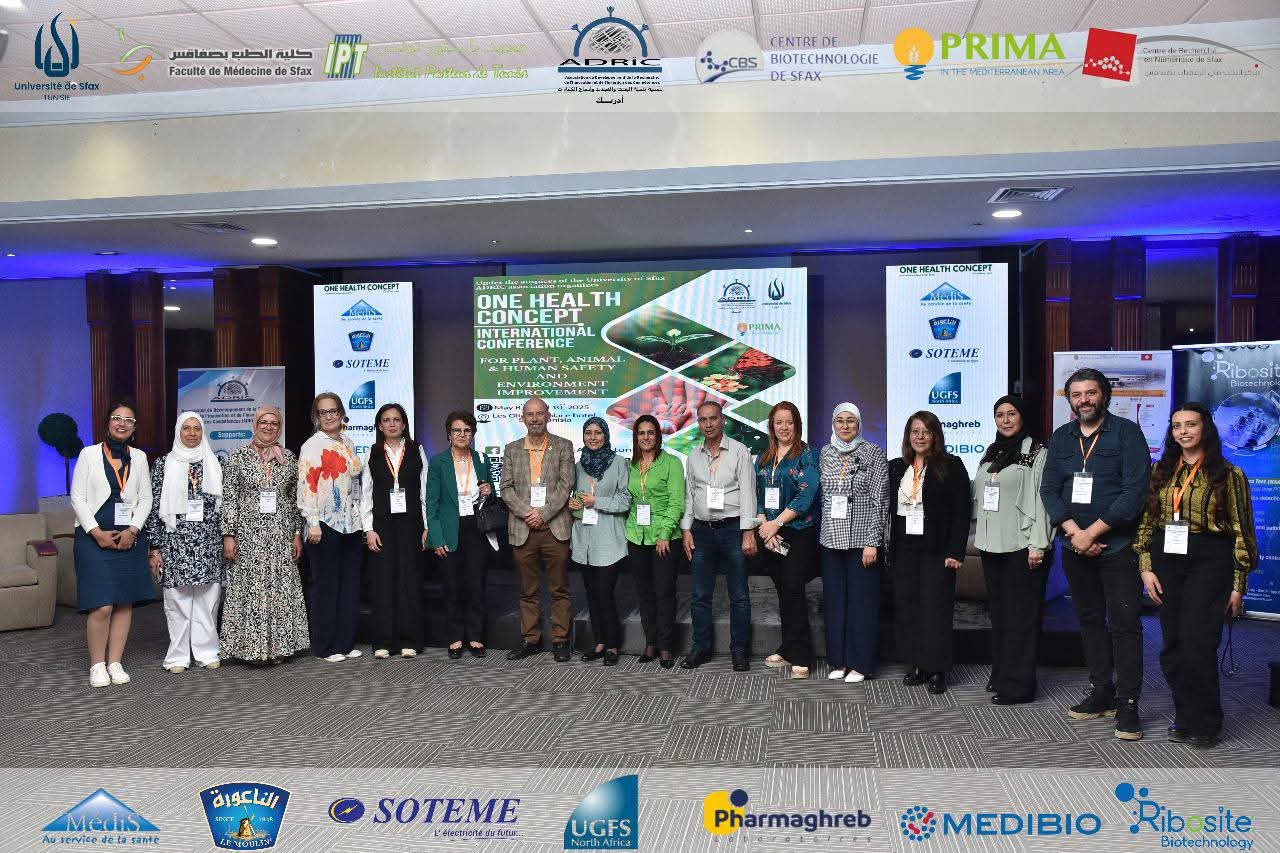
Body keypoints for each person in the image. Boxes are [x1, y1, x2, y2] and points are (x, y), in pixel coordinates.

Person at [1134, 403, 1258, 749]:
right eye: (1176, 426)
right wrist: (1145, 566)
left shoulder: (1229, 474)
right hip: (1167, 557)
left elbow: (1242, 531)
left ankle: (1205, 723)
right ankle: (1185, 717)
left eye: (1190, 424)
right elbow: (1146, 521)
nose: (1183, 432)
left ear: (1205, 429)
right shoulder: (1160, 470)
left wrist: (1238, 585)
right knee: (1172, 645)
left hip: (1209, 560)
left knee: (1198, 643)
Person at [1041, 367, 1151, 740]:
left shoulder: (1127, 433)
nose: (1084, 400)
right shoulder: (1062, 437)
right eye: (1077, 395)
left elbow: (1135, 492)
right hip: (1075, 546)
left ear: (1104, 395)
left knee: (1124, 624)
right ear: (1070, 400)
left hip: (1118, 547)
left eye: (1090, 393)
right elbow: (1049, 489)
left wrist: (1092, 533)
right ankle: (1101, 691)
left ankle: (1128, 703)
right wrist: (1075, 533)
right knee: (1089, 620)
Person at [972, 395, 1053, 705]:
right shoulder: (992, 451)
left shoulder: (1037, 452)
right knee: (1002, 616)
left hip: (1024, 547)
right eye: (999, 415)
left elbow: (1043, 501)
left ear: (1023, 416)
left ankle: (1019, 686)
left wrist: (1038, 545)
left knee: (1022, 618)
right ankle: (1002, 674)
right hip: (992, 545)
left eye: (1011, 413)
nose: (1005, 420)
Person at [70, 398, 154, 688]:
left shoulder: (139, 457)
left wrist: (133, 530)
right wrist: (96, 532)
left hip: (129, 539)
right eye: (117, 418)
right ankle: (97, 665)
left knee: (123, 602)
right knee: (102, 604)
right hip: (93, 538)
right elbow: (77, 498)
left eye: (128, 420)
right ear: (108, 423)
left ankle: (115, 662)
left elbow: (146, 499)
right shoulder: (89, 454)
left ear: (134, 427)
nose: (122, 424)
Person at [886, 411, 969, 694]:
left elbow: (961, 511)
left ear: (935, 436)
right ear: (908, 436)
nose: (920, 437)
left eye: (926, 432)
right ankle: (918, 664)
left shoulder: (951, 465)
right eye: (915, 431)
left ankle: (937, 669)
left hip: (937, 549)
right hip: (904, 548)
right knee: (909, 607)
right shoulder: (897, 467)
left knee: (936, 609)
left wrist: (956, 551)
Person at [220, 405, 309, 665]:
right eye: (264, 422)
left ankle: (279, 648)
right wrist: (229, 535)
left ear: (279, 427)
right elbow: (230, 497)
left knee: (279, 589)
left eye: (274, 423)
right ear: (255, 425)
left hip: (281, 534)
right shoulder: (238, 456)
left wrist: (296, 533)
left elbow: (294, 499)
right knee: (252, 588)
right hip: (248, 535)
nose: (269, 427)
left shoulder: (288, 458)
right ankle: (252, 649)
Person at [681, 401, 758, 671]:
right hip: (702, 531)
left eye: (713, 418)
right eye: (703, 420)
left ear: (722, 420)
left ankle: (739, 650)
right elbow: (690, 495)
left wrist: (748, 532)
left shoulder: (739, 451)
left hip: (733, 530)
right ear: (698, 423)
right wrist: (686, 528)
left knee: (739, 596)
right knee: (700, 596)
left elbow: (748, 493)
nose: (708, 424)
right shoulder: (693, 456)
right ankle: (701, 648)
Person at [144, 411, 224, 674]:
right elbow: (155, 507)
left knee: (207, 600)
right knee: (177, 601)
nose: (191, 433)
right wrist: (155, 547)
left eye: (197, 428)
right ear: (178, 431)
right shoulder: (163, 464)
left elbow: (223, 507)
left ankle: (207, 652)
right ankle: (178, 656)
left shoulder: (215, 462)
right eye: (186, 428)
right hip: (175, 541)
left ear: (203, 432)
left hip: (208, 542)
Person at [500, 397, 576, 662]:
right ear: (523, 418)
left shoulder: (563, 446)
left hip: (554, 527)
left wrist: (542, 514)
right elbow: (506, 488)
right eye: (529, 414)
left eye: (539, 413)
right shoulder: (511, 449)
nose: (534, 419)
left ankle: (560, 640)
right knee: (527, 590)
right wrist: (528, 514)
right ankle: (530, 639)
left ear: (548, 416)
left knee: (559, 589)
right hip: (523, 528)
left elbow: (566, 485)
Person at [819, 402, 889, 684]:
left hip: (862, 542)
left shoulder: (873, 452)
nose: (845, 425)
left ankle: (860, 663)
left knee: (862, 604)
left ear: (859, 424)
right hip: (831, 540)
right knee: (835, 603)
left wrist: (873, 542)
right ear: (833, 424)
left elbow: (880, 501)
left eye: (851, 420)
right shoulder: (826, 452)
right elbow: (824, 497)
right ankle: (839, 660)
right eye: (840, 420)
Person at [755, 402, 820, 679]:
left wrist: (776, 523)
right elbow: (758, 494)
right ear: (772, 426)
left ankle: (802, 654)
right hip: (770, 534)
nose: (784, 427)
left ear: (797, 425)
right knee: (783, 590)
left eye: (789, 422)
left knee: (793, 587)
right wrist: (765, 527)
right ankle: (788, 647)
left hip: (798, 531)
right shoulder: (764, 457)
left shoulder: (807, 455)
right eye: (779, 422)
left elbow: (806, 495)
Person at [298, 392, 365, 663]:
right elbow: (307, 486)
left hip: (351, 525)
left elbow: (355, 484)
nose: (329, 416)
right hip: (324, 525)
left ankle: (345, 643)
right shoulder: (312, 445)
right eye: (323, 412)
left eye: (333, 411)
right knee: (326, 587)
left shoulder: (348, 442)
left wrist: (361, 518)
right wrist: (312, 522)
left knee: (349, 586)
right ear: (316, 416)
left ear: (341, 413)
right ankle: (325, 646)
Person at [426, 410, 497, 659]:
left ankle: (476, 637)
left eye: (467, 430)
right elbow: (431, 504)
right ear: (449, 434)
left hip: (476, 528)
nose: (462, 435)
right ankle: (455, 637)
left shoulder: (481, 458)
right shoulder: (438, 462)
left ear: (473, 434)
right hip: (449, 530)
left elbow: (490, 493)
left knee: (476, 585)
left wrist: (489, 490)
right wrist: (436, 538)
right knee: (452, 587)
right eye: (457, 430)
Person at [360, 403, 428, 660]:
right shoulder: (372, 453)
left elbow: (424, 491)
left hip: (411, 525)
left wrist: (427, 527)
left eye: (396, 419)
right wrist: (368, 529)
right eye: (386, 420)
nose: (392, 424)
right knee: (383, 583)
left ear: (404, 424)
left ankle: (410, 640)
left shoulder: (417, 450)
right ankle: (383, 641)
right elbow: (366, 494)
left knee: (410, 581)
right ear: (380, 425)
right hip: (382, 526)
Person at [568, 416, 632, 666]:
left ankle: (613, 645)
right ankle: (600, 643)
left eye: (598, 432)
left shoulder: (619, 463)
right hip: (583, 540)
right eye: (588, 433)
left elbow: (625, 500)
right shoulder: (578, 465)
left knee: (604, 594)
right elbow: (574, 500)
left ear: (606, 435)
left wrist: (598, 502)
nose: (593, 437)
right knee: (592, 595)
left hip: (609, 541)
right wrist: (573, 505)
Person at [626, 415, 684, 669]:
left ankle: (665, 645)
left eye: (650, 432)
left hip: (664, 538)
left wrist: (664, 533)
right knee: (644, 593)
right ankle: (650, 642)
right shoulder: (631, 465)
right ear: (636, 437)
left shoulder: (672, 463)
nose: (646, 437)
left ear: (658, 436)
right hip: (636, 535)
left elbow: (676, 501)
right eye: (641, 433)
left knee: (664, 593)